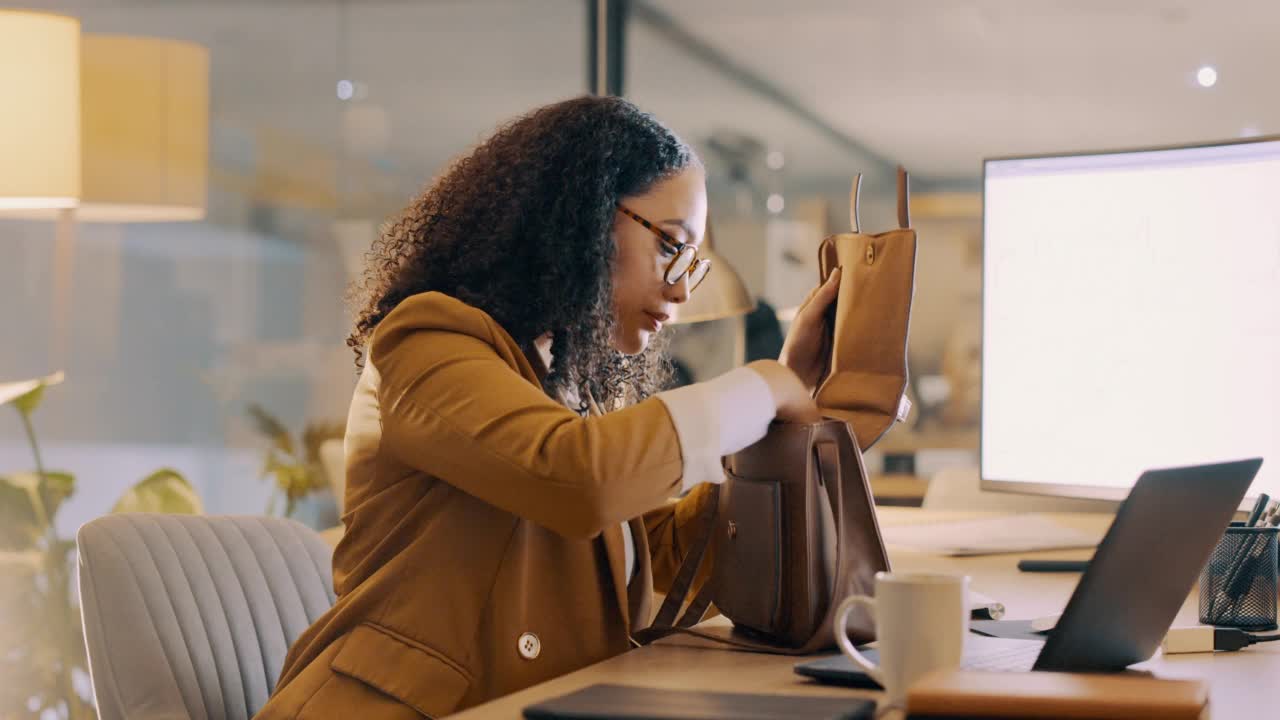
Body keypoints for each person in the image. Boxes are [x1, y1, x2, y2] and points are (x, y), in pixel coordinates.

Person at [254, 95, 841, 719]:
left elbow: (655, 549)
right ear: (581, 219)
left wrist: (808, 409)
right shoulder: (426, 340)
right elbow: (572, 477)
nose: (678, 288)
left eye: (690, 262)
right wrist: (761, 387)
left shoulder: (559, 382)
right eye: (670, 244)